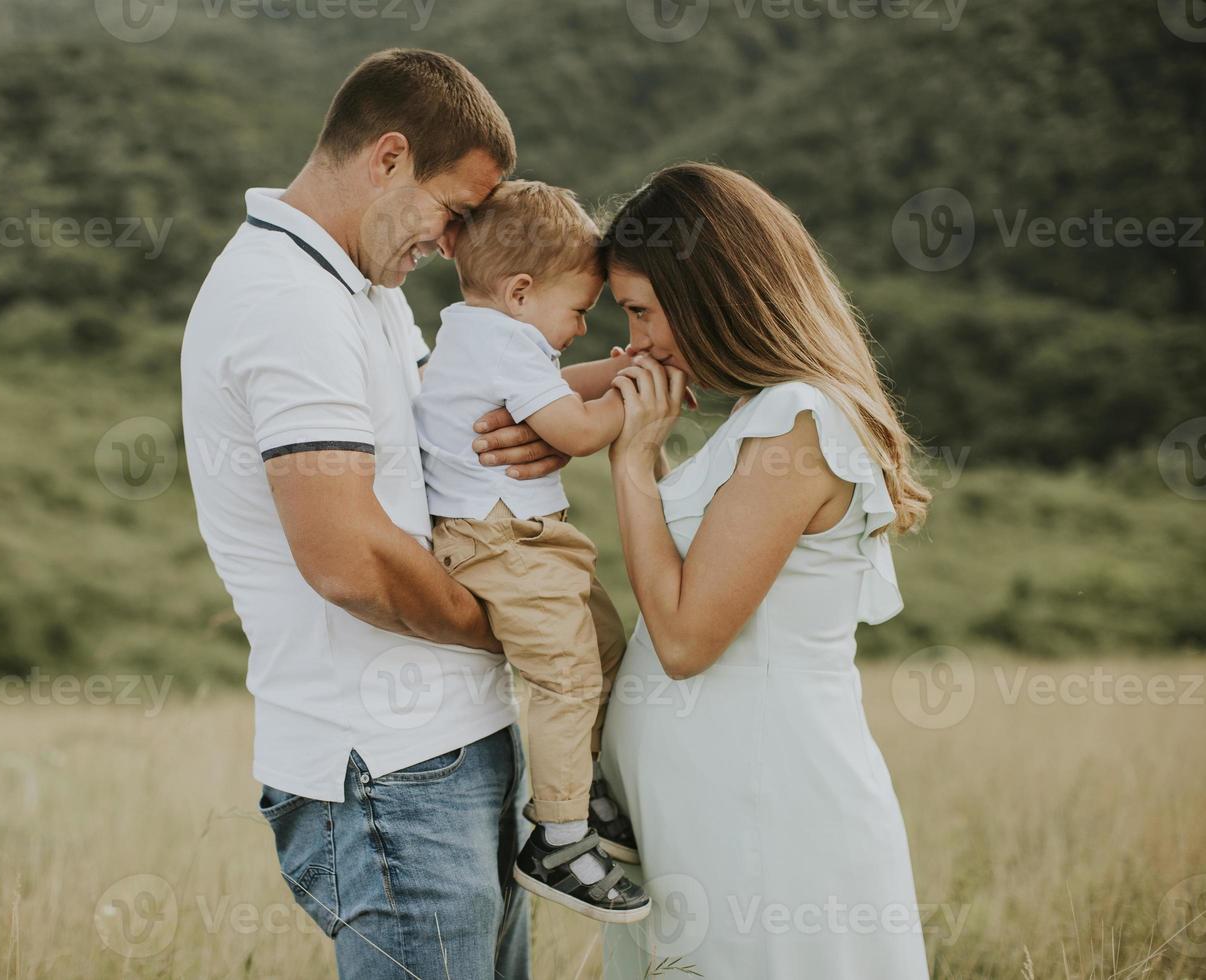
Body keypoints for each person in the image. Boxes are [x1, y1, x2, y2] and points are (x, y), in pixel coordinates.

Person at [179, 49, 628, 979]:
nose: (456, 241)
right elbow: (350, 560)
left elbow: (426, 422)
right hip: (386, 766)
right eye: (454, 212)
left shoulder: (360, 287)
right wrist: (520, 633)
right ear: (388, 159)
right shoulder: (287, 300)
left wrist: (562, 416)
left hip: (446, 746)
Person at [596, 162, 934, 979]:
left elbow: (684, 638)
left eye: (642, 311)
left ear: (708, 288)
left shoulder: (798, 419)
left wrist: (634, 465)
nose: (636, 340)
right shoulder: (758, 414)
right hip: (710, 809)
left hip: (766, 810)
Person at [413, 180, 649, 923]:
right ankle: (558, 836)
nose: (582, 327)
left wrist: (621, 370)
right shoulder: (503, 340)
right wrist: (637, 402)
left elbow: (553, 389)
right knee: (567, 676)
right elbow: (577, 431)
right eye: (578, 309)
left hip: (527, 540)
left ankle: (577, 779)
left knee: (603, 648)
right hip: (501, 540)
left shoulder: (484, 334)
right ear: (521, 292)